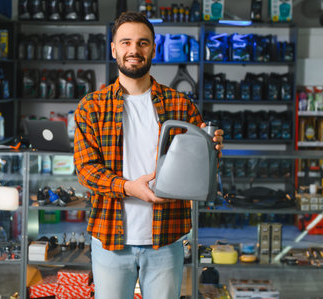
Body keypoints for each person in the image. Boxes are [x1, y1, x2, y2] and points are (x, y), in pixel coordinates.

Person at [73, 12, 224, 299]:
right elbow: (86, 170)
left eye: (143, 43)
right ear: (114, 48)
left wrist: (214, 150)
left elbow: (199, 171)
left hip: (166, 238)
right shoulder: (91, 107)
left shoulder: (181, 106)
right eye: (126, 42)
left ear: (153, 48)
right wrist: (129, 187)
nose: (134, 50)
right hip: (109, 239)